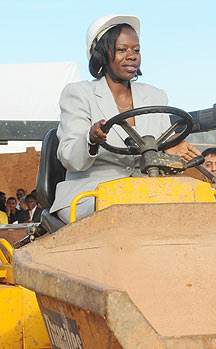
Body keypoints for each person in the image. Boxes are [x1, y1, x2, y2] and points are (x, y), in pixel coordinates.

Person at [50, 14, 201, 224]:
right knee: (125, 213)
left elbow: (158, 152)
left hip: (144, 191)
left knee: (197, 206)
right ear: (102, 54)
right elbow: (69, 158)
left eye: (136, 50)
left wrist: (169, 149)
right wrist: (91, 140)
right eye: (122, 50)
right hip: (91, 192)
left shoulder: (156, 96)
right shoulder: (79, 93)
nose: (132, 56)